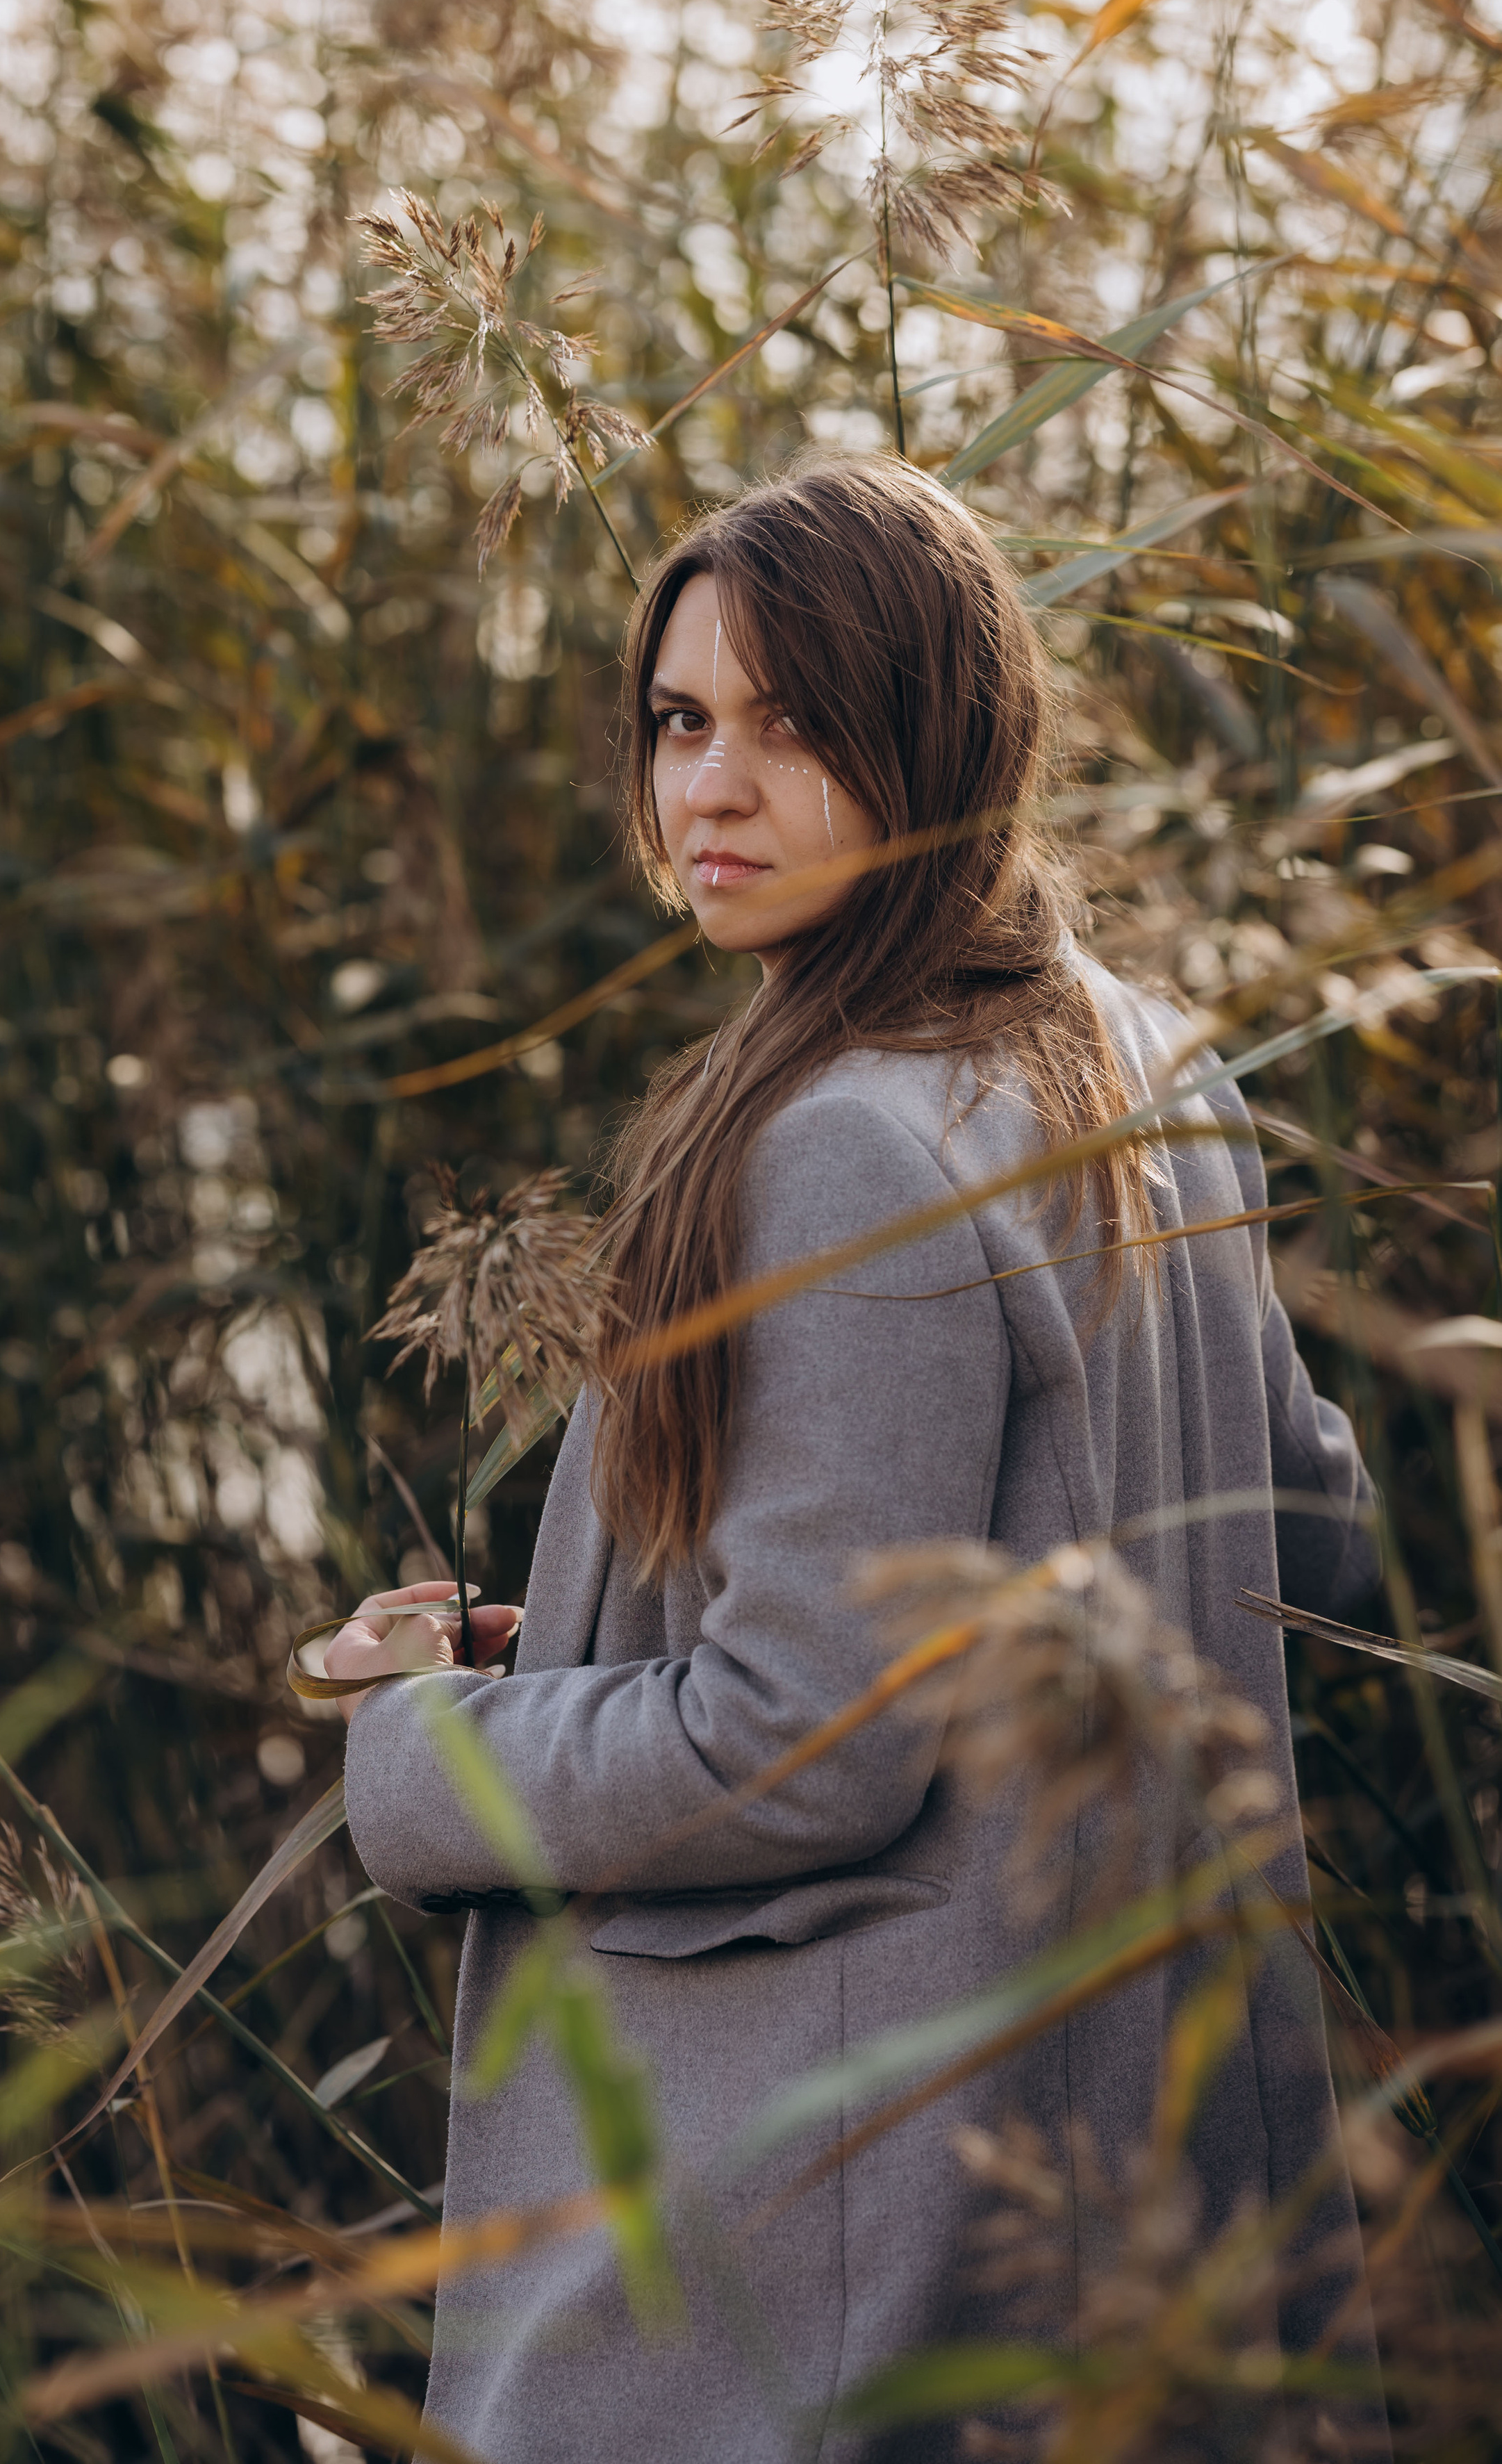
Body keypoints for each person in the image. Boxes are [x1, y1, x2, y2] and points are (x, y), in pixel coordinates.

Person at [330, 455, 1380, 2461]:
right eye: (680, 721)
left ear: (940, 738)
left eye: (793, 727)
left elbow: (800, 1742)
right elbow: (1303, 1538)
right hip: (1140, 2183)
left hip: (848, 2243)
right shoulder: (1153, 1069)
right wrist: (596, 1635)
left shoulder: (845, 1145)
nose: (709, 792)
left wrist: (426, 1744)